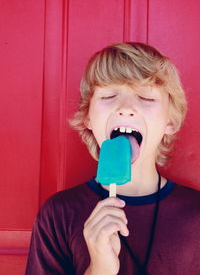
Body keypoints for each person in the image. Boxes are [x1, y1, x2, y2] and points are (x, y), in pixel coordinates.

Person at [25, 42, 200, 275]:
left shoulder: (195, 214)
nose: (125, 108)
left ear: (170, 121)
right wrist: (99, 269)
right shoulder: (58, 214)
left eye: (146, 98)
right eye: (108, 96)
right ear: (88, 118)